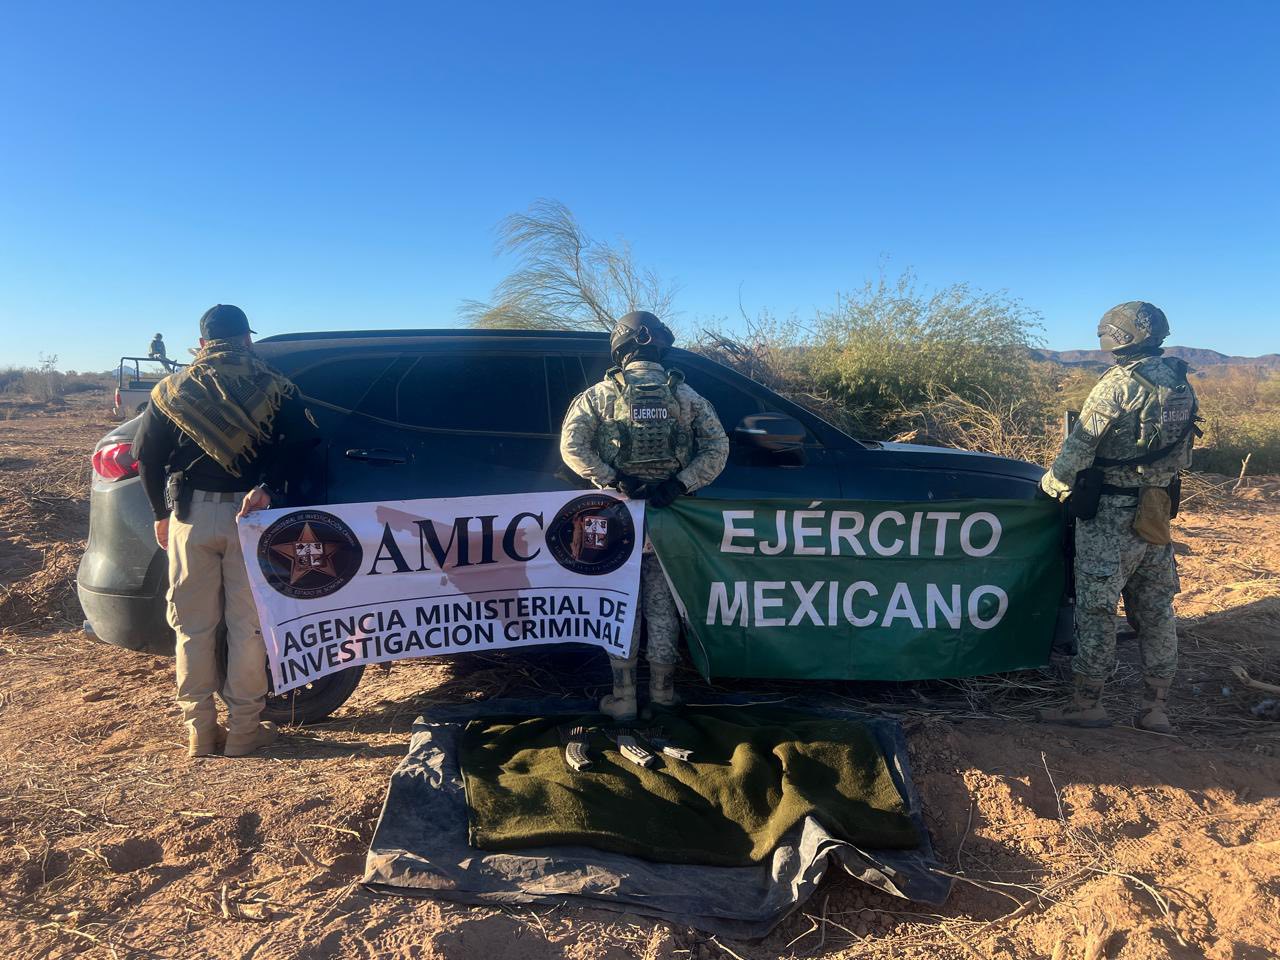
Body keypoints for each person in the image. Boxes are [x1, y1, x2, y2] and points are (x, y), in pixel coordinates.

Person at [134, 304, 319, 758]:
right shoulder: (275, 386)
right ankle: (243, 731)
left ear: (202, 344)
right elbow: (305, 443)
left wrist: (160, 514)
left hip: (190, 516)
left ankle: (199, 732)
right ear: (247, 339)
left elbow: (147, 458)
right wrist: (268, 485)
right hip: (251, 518)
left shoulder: (171, 390)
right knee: (248, 628)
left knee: (192, 629)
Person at [1039, 302, 1199, 733]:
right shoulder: (1181, 381)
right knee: (1156, 609)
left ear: (1120, 336)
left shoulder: (1120, 383)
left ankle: (1087, 703)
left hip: (1110, 513)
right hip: (1157, 510)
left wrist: (1051, 486)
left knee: (1097, 608)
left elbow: (1079, 448)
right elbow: (1184, 452)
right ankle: (1156, 708)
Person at [561, 311, 729, 719]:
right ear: (661, 348)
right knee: (662, 605)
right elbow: (717, 448)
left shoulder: (599, 395)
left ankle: (623, 699)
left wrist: (614, 478)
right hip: (670, 518)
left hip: (617, 517)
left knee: (621, 605)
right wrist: (680, 484)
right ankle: (663, 696)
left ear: (620, 350)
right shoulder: (686, 396)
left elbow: (572, 447)